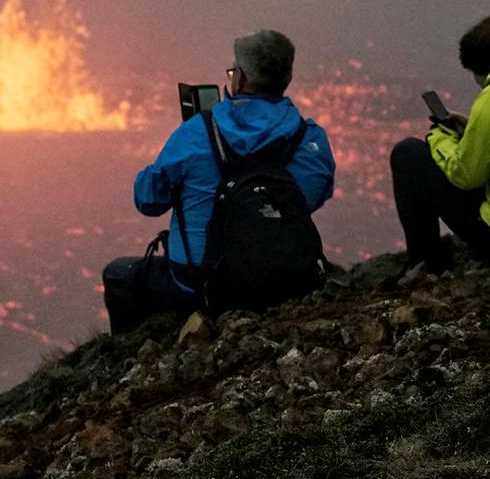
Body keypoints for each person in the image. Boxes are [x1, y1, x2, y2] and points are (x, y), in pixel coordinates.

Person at [102, 29, 335, 334]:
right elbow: (310, 198)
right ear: (286, 79)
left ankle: (134, 362)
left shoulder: (198, 132)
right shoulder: (310, 138)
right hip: (285, 279)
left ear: (239, 79)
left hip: (201, 282)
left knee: (118, 275)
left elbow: (147, 199)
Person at [389, 15, 490, 273]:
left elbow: (466, 176)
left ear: (480, 67)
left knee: (407, 153)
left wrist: (439, 136)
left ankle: (427, 261)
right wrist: (469, 128)